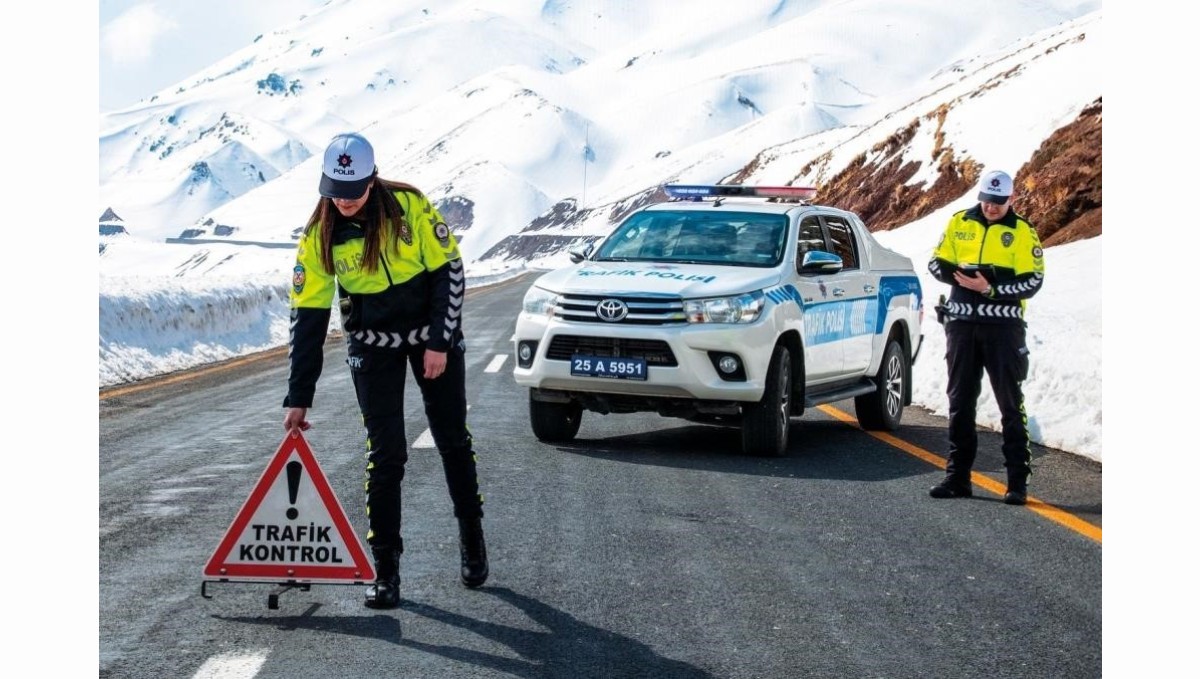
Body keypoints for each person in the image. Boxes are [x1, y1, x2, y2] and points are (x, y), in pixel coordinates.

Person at [282, 132, 488, 609]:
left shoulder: (409, 206)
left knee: (451, 437)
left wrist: (439, 341)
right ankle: (386, 570)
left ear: (372, 181)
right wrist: (298, 396)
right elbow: (307, 319)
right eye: (335, 190)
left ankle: (472, 538)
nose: (345, 201)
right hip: (371, 348)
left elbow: (449, 273)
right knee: (386, 452)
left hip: (431, 338)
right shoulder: (320, 237)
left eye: (353, 191)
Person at [926, 169, 1045, 506]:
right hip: (962, 325)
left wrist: (990, 288)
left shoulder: (1022, 232)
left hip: (1004, 331)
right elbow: (936, 263)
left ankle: (1017, 483)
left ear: (1012, 199)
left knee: (1010, 403)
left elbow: (1033, 281)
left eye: (999, 201)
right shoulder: (959, 221)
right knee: (960, 402)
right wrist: (958, 276)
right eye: (987, 200)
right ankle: (957, 478)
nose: (992, 207)